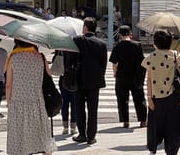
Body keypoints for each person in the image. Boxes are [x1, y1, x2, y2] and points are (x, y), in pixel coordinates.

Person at [5, 39, 57, 155]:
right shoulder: (41, 57)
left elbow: (8, 85)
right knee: (42, 136)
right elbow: (48, 78)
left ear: (17, 43)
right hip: (37, 103)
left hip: (18, 103)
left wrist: (9, 102)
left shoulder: (13, 58)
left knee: (20, 140)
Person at [142, 30, 180, 155]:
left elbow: (149, 79)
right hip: (173, 97)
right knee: (173, 126)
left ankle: (153, 150)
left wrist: (149, 97)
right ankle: (172, 151)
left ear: (155, 43)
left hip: (156, 97)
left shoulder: (151, 57)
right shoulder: (176, 55)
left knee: (155, 125)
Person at [70, 17, 108, 145]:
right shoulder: (101, 44)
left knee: (79, 108)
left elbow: (70, 59)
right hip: (95, 81)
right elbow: (103, 63)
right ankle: (91, 136)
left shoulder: (77, 41)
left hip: (79, 79)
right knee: (93, 109)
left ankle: (82, 134)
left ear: (85, 27)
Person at [109, 25, 147, 129]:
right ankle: (143, 120)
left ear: (120, 34)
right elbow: (141, 61)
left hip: (122, 76)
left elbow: (114, 63)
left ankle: (125, 121)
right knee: (139, 98)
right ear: (130, 33)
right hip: (135, 76)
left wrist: (115, 73)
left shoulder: (118, 46)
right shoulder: (137, 45)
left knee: (122, 99)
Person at [56, 50, 77, 135]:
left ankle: (65, 127)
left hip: (63, 79)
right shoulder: (76, 50)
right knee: (74, 104)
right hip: (74, 80)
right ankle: (73, 127)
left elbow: (55, 63)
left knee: (64, 104)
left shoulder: (61, 50)